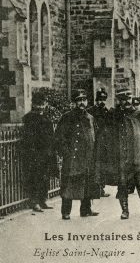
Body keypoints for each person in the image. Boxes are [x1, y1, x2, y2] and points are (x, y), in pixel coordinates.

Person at [102, 89, 140, 219]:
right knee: (122, 185)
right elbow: (107, 137)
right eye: (123, 99)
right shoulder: (114, 116)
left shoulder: (138, 115)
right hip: (122, 158)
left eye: (128, 98)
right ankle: (125, 210)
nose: (126, 102)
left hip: (137, 156)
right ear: (119, 101)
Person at [55, 89, 100, 220]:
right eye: (79, 100)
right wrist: (66, 153)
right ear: (74, 102)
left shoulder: (90, 118)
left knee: (87, 183)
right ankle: (66, 211)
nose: (82, 103)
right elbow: (59, 137)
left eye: (84, 100)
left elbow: (94, 136)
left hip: (88, 157)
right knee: (69, 183)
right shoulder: (67, 117)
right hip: (73, 158)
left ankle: (86, 209)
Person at [21, 91, 58, 212]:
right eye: (38, 104)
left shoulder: (46, 118)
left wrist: (51, 150)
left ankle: (43, 200)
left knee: (45, 177)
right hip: (35, 154)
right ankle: (34, 201)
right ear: (34, 104)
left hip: (46, 153)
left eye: (43, 104)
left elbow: (51, 137)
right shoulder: (29, 118)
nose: (41, 106)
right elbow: (28, 139)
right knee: (35, 177)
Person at [87, 88, 111, 198]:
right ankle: (95, 189)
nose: (102, 102)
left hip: (104, 143)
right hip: (94, 142)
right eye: (100, 99)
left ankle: (101, 188)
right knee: (94, 166)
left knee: (103, 166)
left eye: (104, 99)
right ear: (96, 100)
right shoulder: (91, 111)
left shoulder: (107, 111)